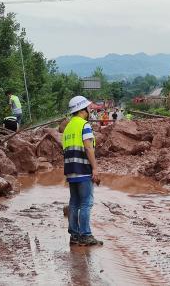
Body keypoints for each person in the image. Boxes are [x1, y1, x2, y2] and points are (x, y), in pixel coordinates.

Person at [62, 95, 103, 247]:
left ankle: (74, 235)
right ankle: (85, 235)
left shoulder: (67, 127)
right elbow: (88, 147)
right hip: (83, 169)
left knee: (74, 203)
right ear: (82, 109)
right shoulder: (84, 125)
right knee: (86, 203)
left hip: (71, 170)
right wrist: (95, 168)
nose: (90, 110)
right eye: (88, 108)